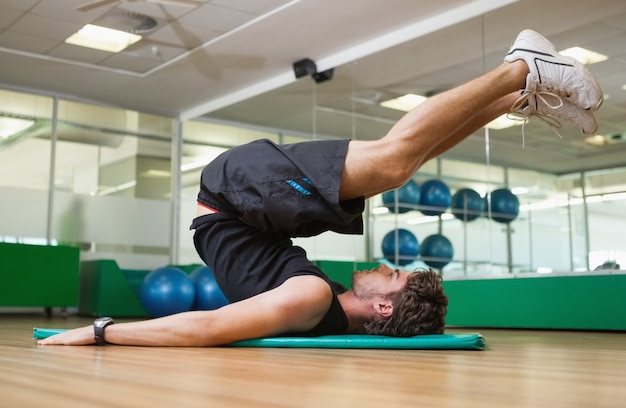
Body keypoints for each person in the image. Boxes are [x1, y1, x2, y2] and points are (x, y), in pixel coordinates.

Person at [38, 29, 602, 347]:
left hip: (235, 198)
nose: (387, 264)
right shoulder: (324, 305)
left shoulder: (310, 301)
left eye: (395, 275)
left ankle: (518, 70)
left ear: (382, 306)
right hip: (253, 207)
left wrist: (99, 332)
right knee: (395, 167)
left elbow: (206, 326)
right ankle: (516, 94)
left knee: (391, 166)